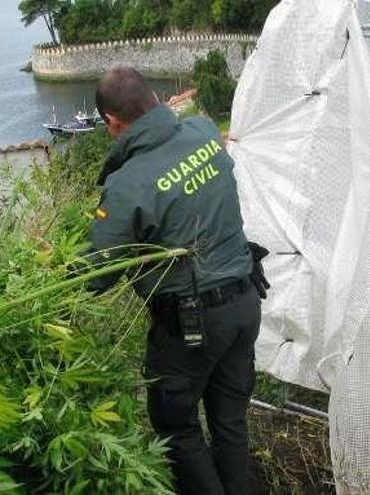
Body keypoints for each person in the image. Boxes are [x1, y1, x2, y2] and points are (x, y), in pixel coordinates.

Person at [85, 66, 267, 494]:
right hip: (244, 302)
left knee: (176, 426)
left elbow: (97, 270)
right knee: (229, 421)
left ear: (113, 123)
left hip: (192, 326)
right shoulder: (204, 132)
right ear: (154, 99)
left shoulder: (128, 183)